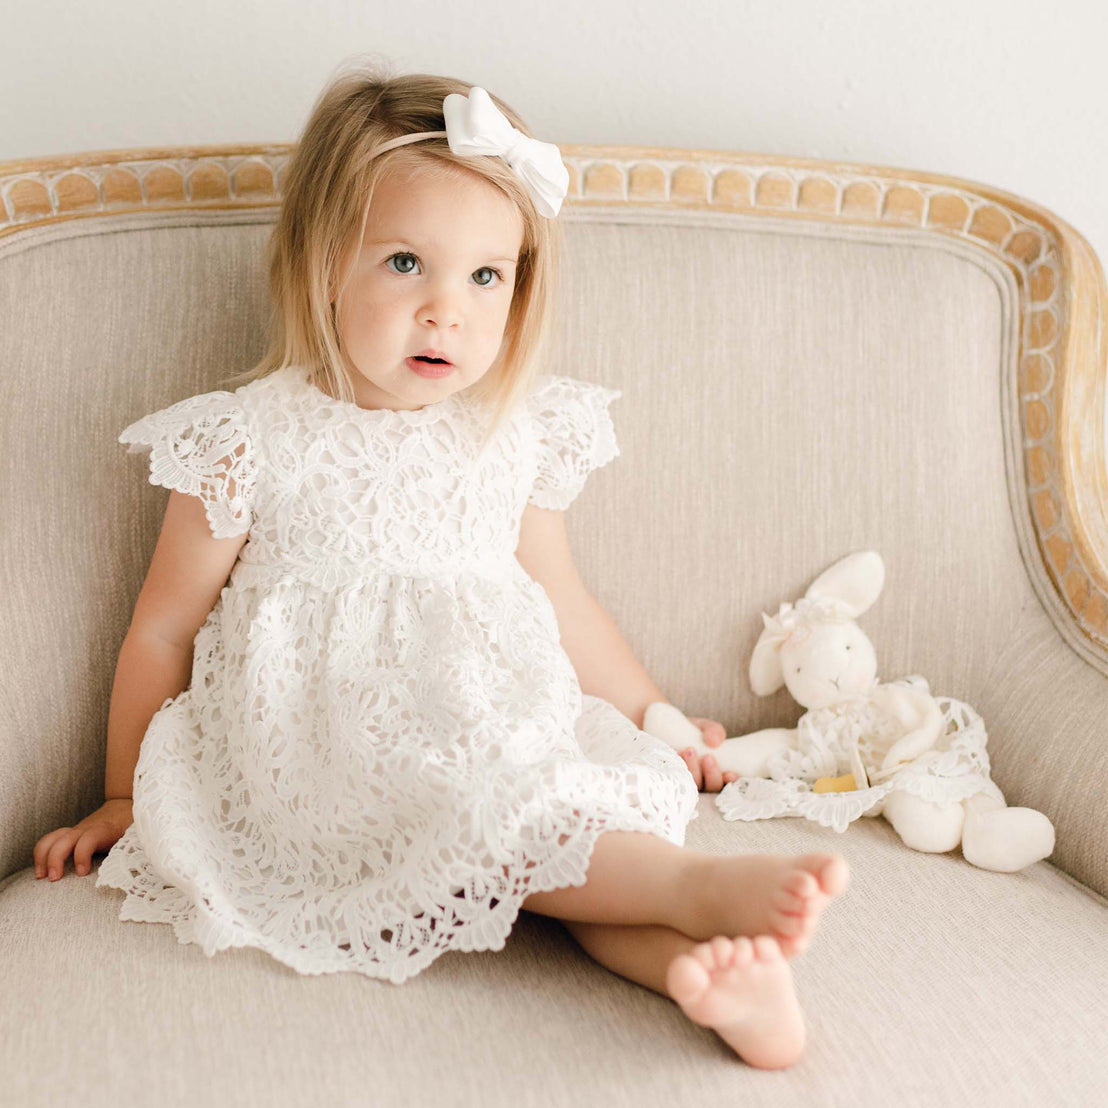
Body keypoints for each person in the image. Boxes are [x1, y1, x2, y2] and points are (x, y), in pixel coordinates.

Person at [31, 62, 848, 1070]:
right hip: (339, 751)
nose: (446, 313)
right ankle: (690, 891)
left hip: (496, 716)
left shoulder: (509, 431)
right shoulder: (251, 437)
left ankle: (730, 985)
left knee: (545, 847)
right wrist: (124, 793)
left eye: (484, 277)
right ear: (323, 260)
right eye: (407, 263)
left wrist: (658, 717)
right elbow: (161, 626)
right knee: (506, 823)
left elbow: (564, 600)